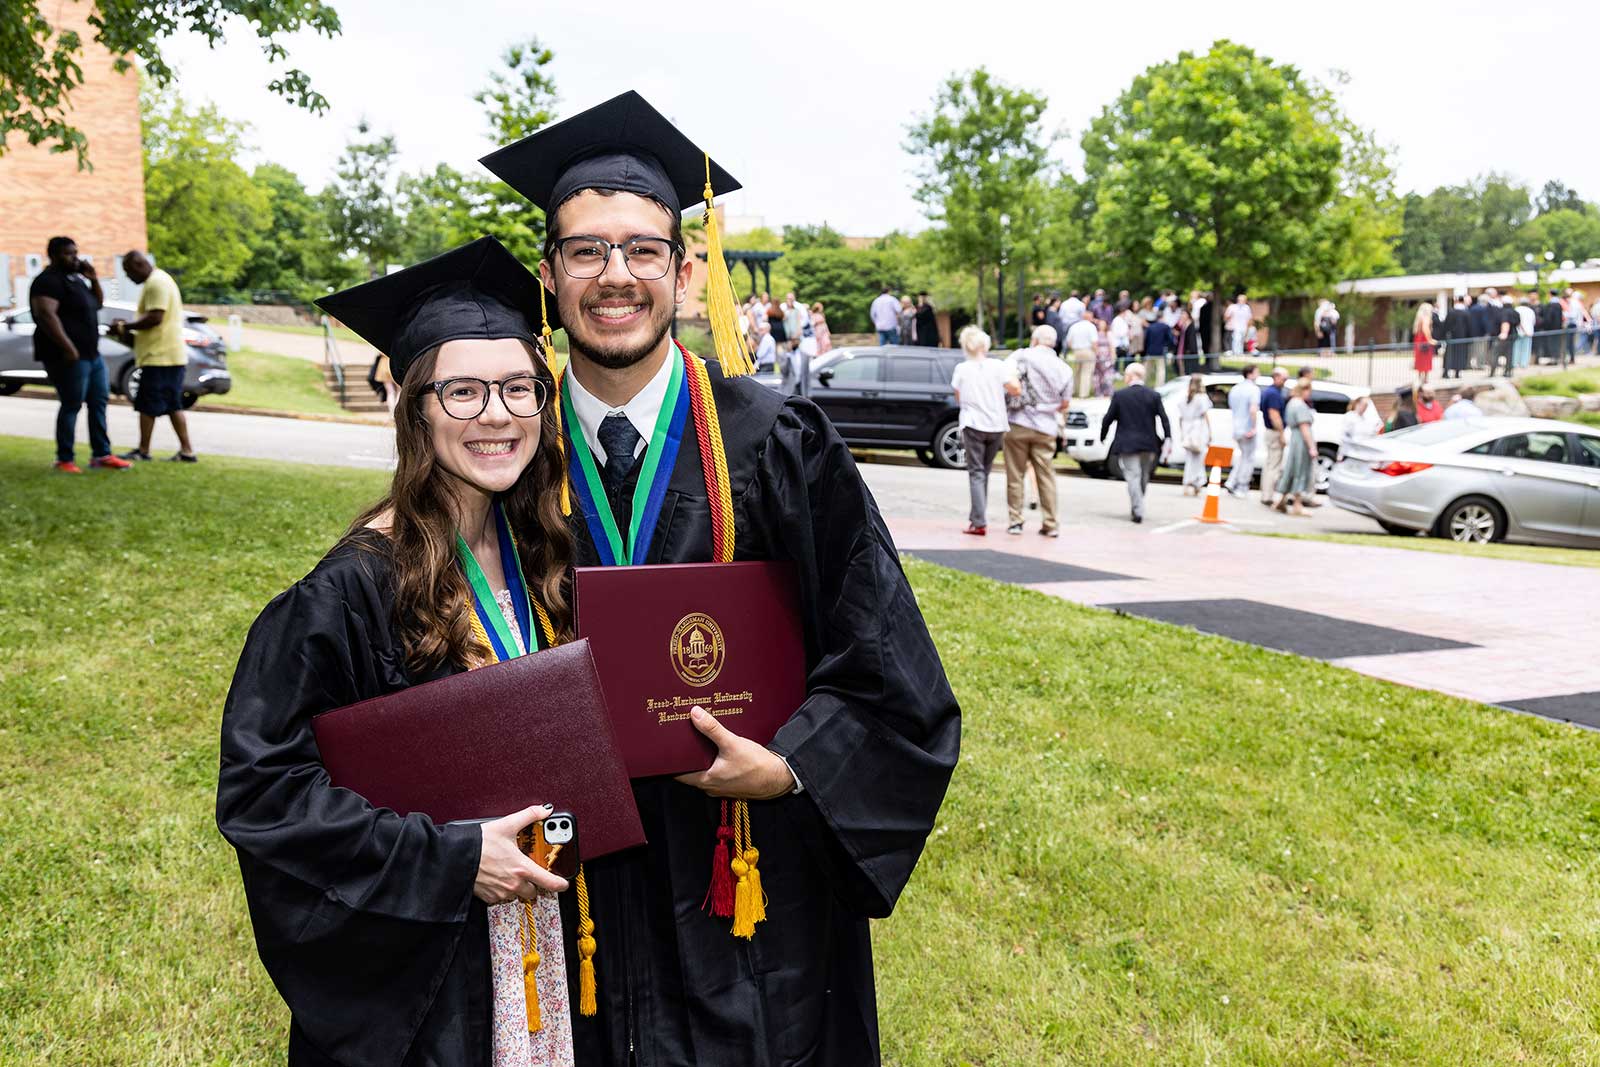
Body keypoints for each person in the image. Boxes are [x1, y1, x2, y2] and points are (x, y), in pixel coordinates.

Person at [481, 89, 960, 1064]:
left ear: (686, 272)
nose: (615, 276)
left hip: (746, 877)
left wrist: (790, 763)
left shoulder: (778, 439)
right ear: (547, 274)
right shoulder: (503, 451)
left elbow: (889, 668)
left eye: (642, 249)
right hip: (569, 879)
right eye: (585, 250)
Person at [217, 237, 581, 1066]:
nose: (497, 413)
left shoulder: (545, 556)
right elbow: (263, 794)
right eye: (461, 391)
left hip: (542, 936)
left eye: (519, 387)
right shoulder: (343, 594)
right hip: (428, 983)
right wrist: (451, 859)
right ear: (413, 405)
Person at [28, 236, 130, 472]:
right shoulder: (47, 281)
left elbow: (97, 304)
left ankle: (101, 455)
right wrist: (68, 347)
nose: (75, 257)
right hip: (67, 356)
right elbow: (46, 315)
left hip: (91, 354)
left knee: (99, 402)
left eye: (75, 252)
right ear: (53, 255)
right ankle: (65, 459)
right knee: (72, 404)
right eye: (68, 253)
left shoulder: (75, 279)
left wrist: (93, 279)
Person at [112, 250, 197, 462]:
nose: (128, 277)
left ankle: (143, 450)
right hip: (167, 355)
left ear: (139, 265)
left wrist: (124, 326)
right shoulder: (160, 280)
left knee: (147, 404)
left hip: (160, 356)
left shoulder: (156, 283)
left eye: (128, 271)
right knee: (172, 404)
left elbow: (155, 317)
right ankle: (186, 451)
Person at [1002, 325, 1073, 536]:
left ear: (1034, 340)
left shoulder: (1020, 357)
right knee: (1046, 476)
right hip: (1046, 427)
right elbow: (1065, 403)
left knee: (1015, 474)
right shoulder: (1064, 369)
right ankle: (1051, 523)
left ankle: (1016, 520)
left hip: (1018, 422)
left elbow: (1005, 380)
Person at [950, 325, 1017, 536]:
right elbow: (1014, 388)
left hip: (973, 423)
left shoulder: (962, 369)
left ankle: (978, 521)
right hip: (996, 424)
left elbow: (958, 396)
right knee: (984, 472)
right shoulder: (998, 366)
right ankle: (976, 517)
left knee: (976, 473)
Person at [1099, 362, 1170, 524]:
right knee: (1143, 476)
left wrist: (1103, 435)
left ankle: (1138, 508)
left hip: (1127, 443)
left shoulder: (1120, 395)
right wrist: (1167, 438)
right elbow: (1164, 419)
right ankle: (1138, 505)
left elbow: (1108, 418)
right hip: (1149, 443)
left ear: (1131, 376)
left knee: (1133, 476)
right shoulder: (1153, 395)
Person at [1273, 379, 1317, 517]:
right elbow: (1305, 428)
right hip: (1301, 442)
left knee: (1291, 470)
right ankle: (1297, 505)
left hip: (1294, 439)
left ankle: (1281, 502)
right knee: (1300, 470)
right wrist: (1312, 447)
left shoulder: (1291, 403)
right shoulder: (1300, 405)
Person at [1223, 364, 1261, 498]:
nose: (1259, 375)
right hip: (1247, 428)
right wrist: (1254, 427)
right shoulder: (1253, 390)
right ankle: (1241, 486)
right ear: (1250, 374)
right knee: (1248, 458)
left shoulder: (1235, 389)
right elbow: (1253, 409)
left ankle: (1232, 481)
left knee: (1242, 456)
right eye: (1257, 372)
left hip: (1236, 427)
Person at [1257, 367, 1288, 509]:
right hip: (1274, 432)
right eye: (1283, 378)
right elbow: (1274, 415)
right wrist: (1281, 434)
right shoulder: (1274, 394)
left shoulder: (1269, 392)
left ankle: (1266, 493)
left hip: (1270, 431)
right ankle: (1268, 495)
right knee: (1274, 465)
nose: (1284, 382)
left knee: (1270, 463)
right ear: (1276, 377)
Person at [1178, 373, 1211, 495]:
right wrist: (1210, 432)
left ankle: (1187, 483)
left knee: (1189, 459)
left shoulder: (1185, 397)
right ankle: (1197, 482)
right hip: (1198, 429)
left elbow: (1181, 417)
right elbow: (1205, 415)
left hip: (1187, 428)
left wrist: (1182, 432)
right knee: (1199, 458)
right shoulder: (1202, 398)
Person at [1065, 312, 1098, 396]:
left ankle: (1073, 391)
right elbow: (1094, 342)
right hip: (1088, 350)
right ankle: (1083, 394)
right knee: (1086, 373)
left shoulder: (1074, 326)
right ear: (1090, 317)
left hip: (1076, 351)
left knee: (1077, 372)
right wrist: (1096, 352)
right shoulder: (1091, 326)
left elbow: (1068, 342)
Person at [1091, 316, 1116, 398]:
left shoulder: (1108, 334)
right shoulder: (1095, 333)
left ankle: (1108, 391)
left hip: (1106, 356)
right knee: (1098, 375)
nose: (1101, 325)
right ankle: (1099, 392)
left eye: (1103, 324)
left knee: (1107, 375)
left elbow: (1111, 346)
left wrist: (1112, 356)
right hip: (1098, 357)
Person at [1412, 303, 1436, 383]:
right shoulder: (1426, 317)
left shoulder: (1419, 318)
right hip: (1424, 340)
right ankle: (1425, 378)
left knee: (1419, 359)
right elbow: (1425, 328)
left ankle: (1419, 377)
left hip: (1418, 340)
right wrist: (1430, 340)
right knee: (1426, 359)